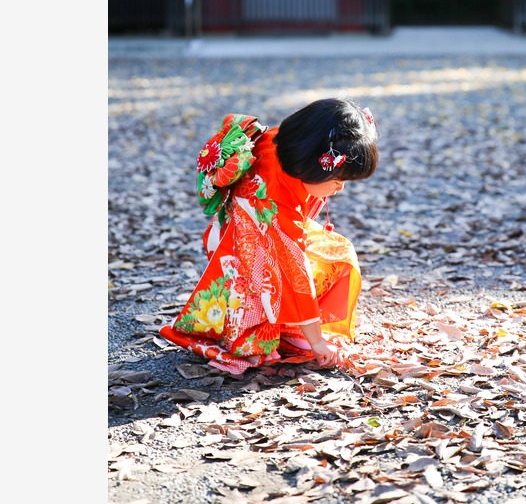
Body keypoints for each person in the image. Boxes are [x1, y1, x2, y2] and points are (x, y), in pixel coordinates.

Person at [159, 98, 380, 375]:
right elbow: (294, 272)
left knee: (334, 252)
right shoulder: (275, 203)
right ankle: (287, 328)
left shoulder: (281, 143)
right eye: (337, 181)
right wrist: (316, 341)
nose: (340, 189)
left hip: (247, 242)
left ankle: (289, 324)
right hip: (249, 264)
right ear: (313, 166)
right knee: (330, 259)